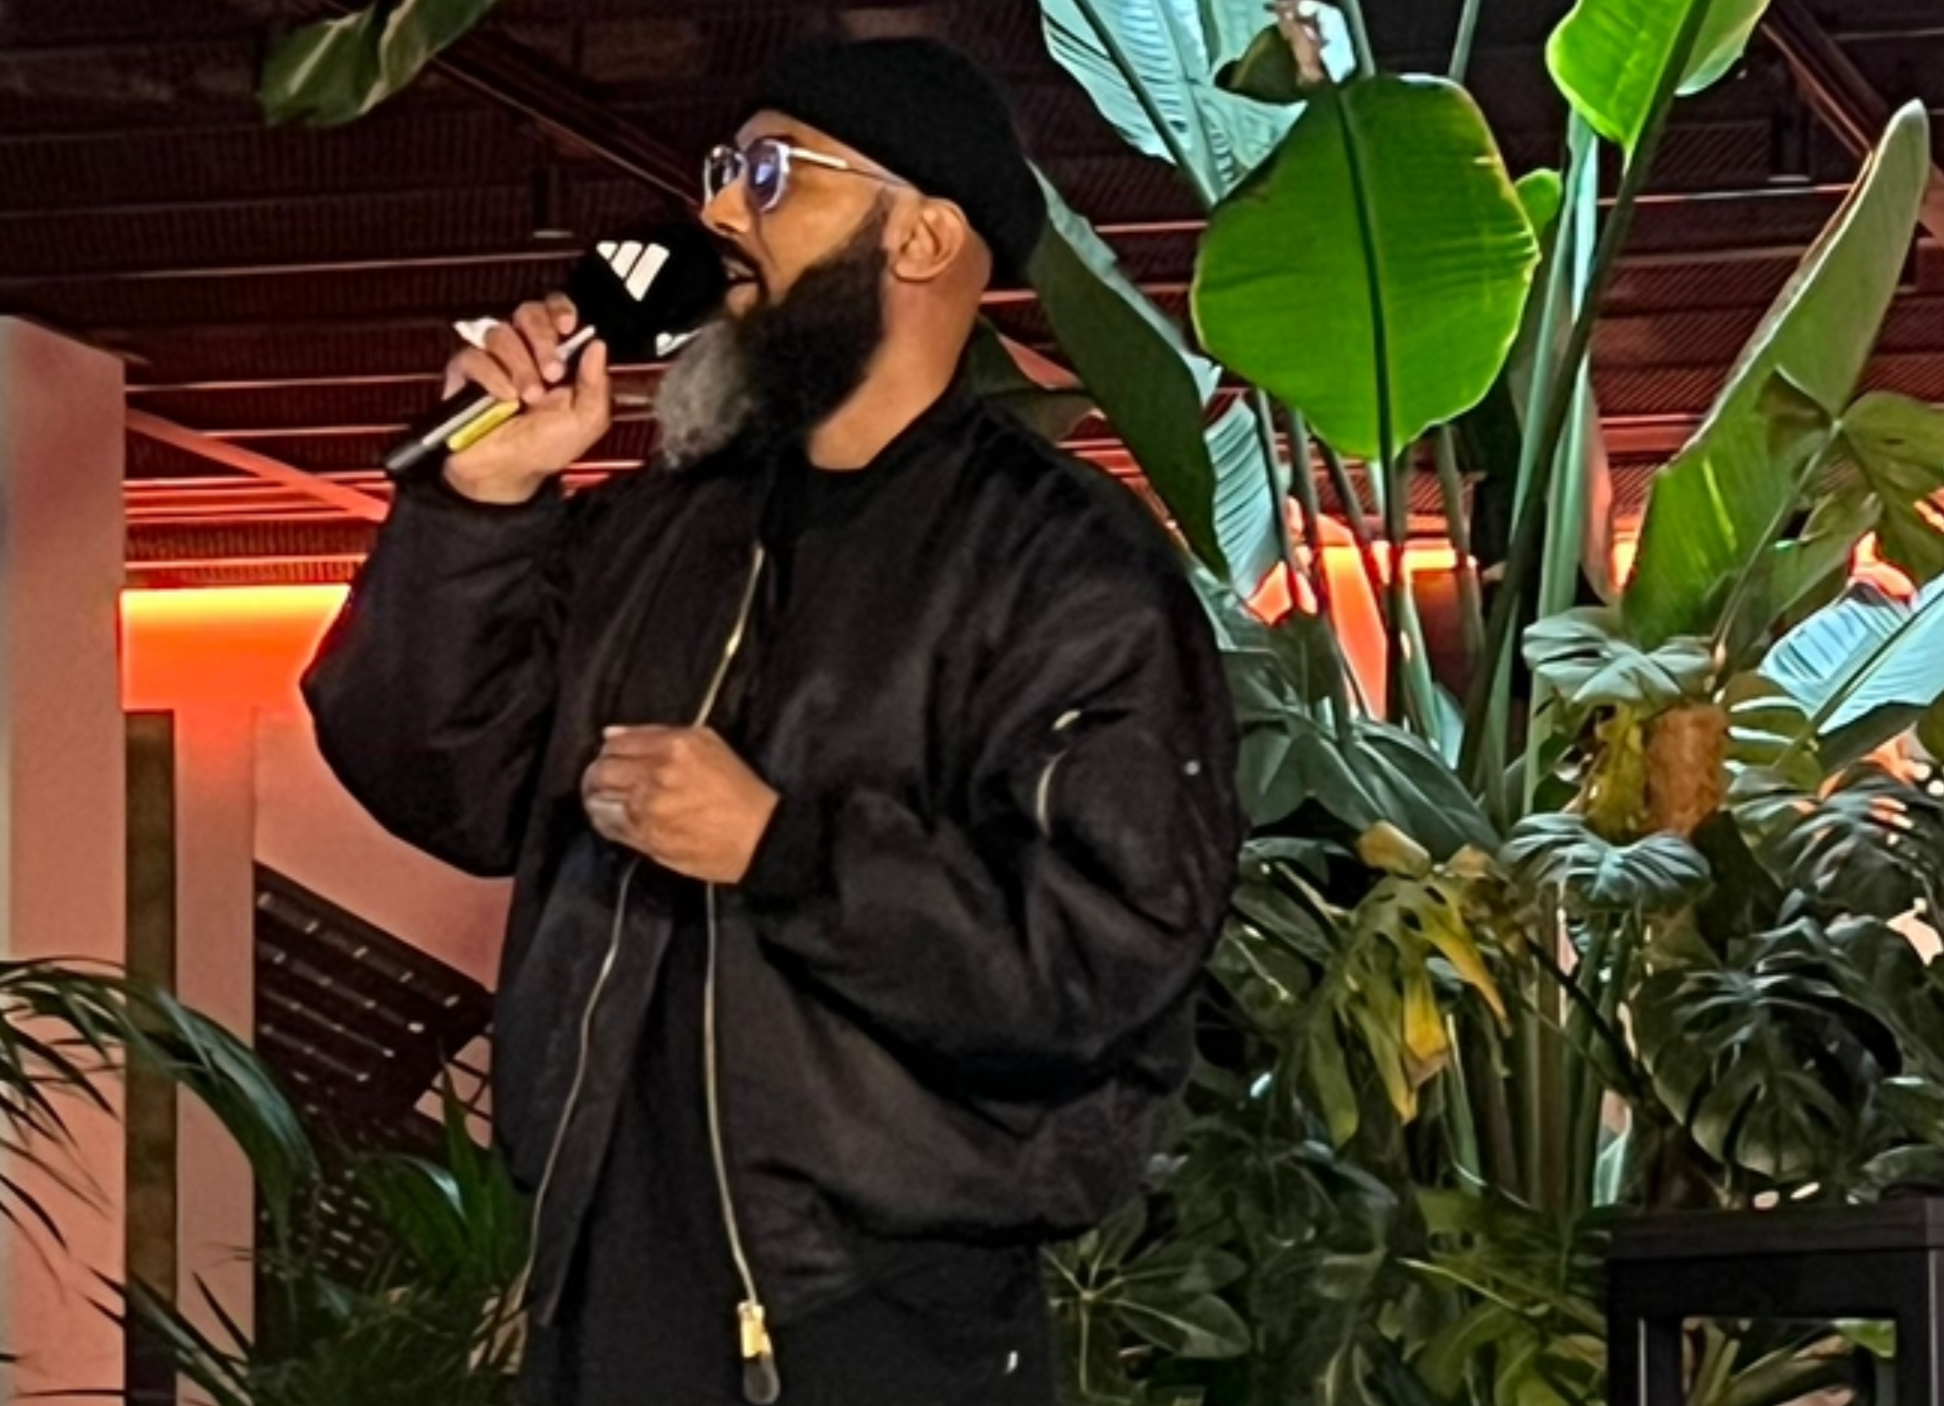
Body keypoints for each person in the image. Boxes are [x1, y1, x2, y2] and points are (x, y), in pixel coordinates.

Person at [303, 36, 1244, 1406]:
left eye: (769, 173)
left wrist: (782, 847)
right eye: (722, 169)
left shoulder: (1064, 568)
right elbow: (445, 776)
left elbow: (1101, 954)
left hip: (882, 1322)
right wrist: (480, 507)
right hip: (608, 1292)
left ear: (923, 236)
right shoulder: (659, 530)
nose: (717, 210)